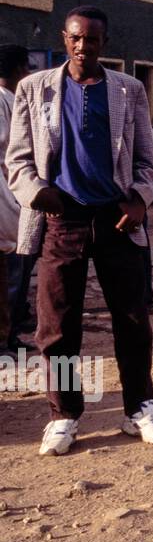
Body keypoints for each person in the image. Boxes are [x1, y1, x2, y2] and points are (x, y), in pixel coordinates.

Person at [6, 6, 153, 455]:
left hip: (117, 219)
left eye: (93, 40)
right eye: (76, 38)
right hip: (62, 219)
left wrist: (139, 198)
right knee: (56, 326)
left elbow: (147, 157)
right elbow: (17, 160)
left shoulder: (129, 90)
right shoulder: (33, 88)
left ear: (104, 42)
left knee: (133, 319)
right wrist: (38, 193)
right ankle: (64, 415)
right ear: (65, 39)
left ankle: (140, 407)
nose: (83, 46)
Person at [0, 44, 33, 355]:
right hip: (5, 199)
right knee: (7, 279)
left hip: (17, 201)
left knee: (18, 277)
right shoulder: (1, 102)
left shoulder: (14, 101)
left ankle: (10, 336)